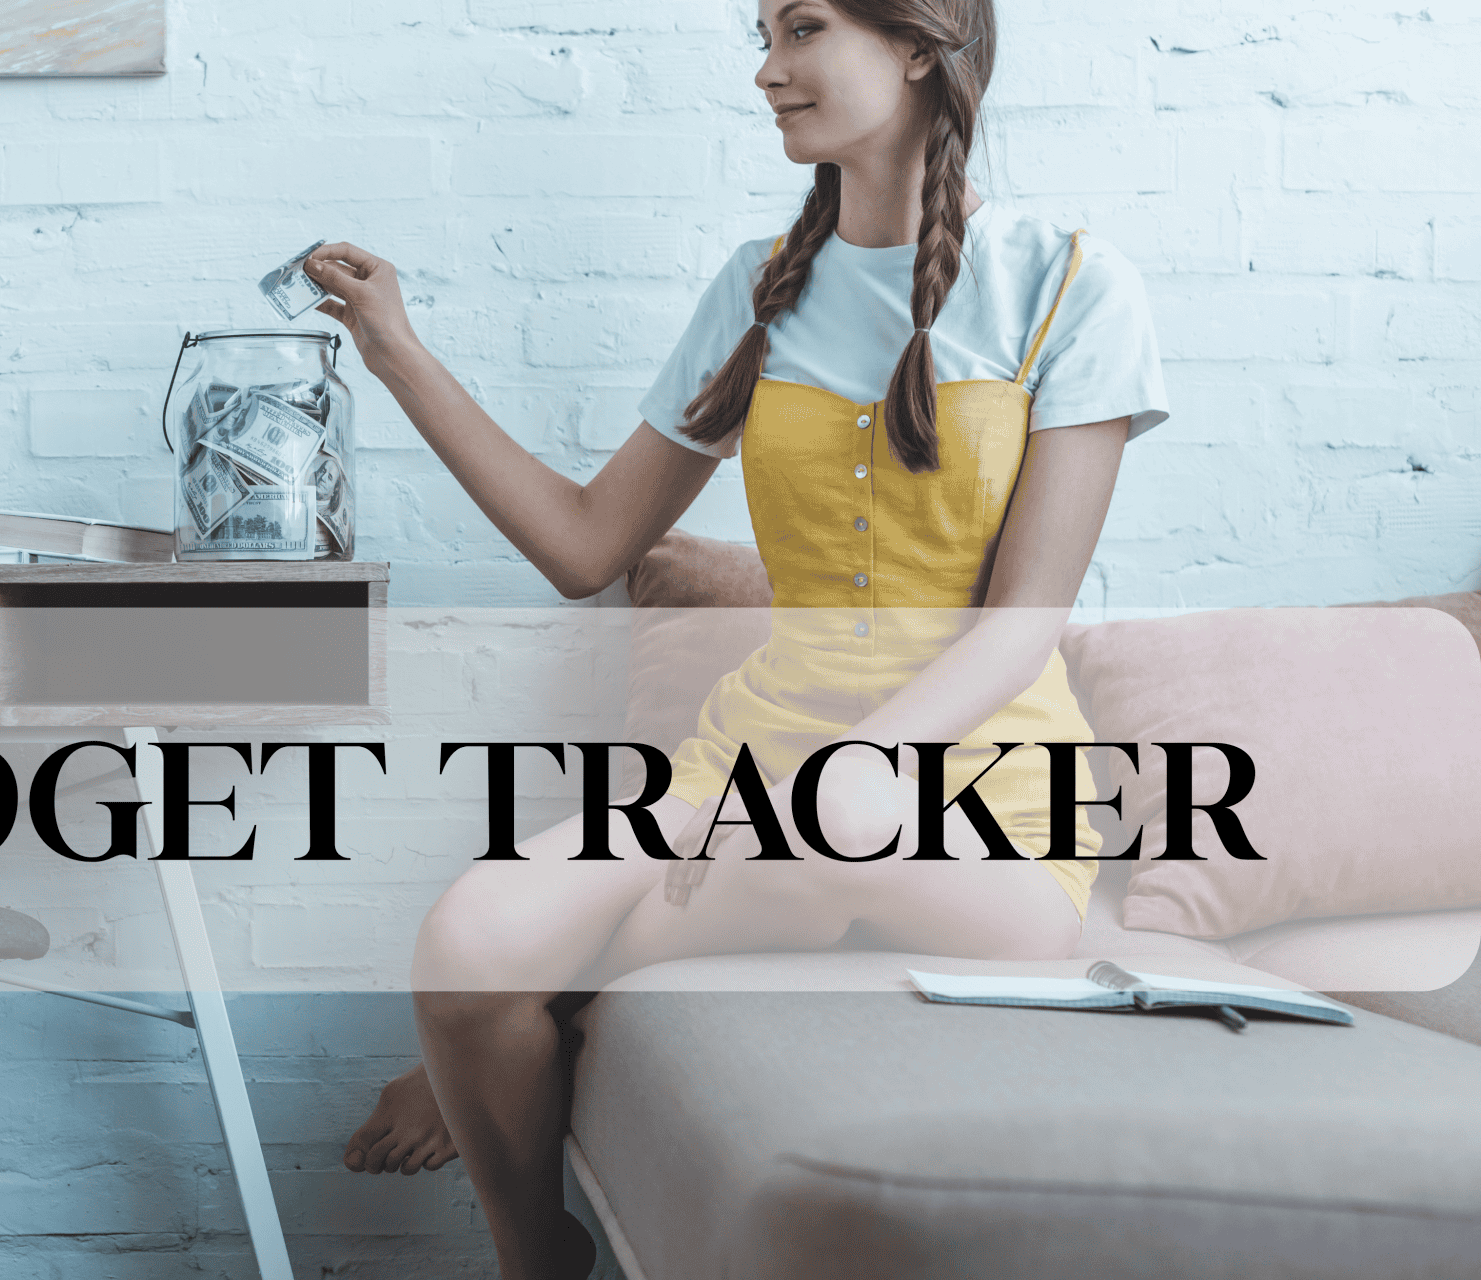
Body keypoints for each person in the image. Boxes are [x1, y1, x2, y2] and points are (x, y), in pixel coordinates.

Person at [297, 0, 1169, 1276]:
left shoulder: (1071, 282)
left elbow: (1023, 619)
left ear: (920, 42)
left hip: (970, 800)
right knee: (468, 948)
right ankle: (538, 1257)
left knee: (834, 829)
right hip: (744, 776)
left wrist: (846, 775)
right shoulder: (758, 291)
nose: (767, 71)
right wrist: (397, 353)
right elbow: (587, 544)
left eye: (803, 29)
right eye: (759, 36)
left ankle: (576, 1000)